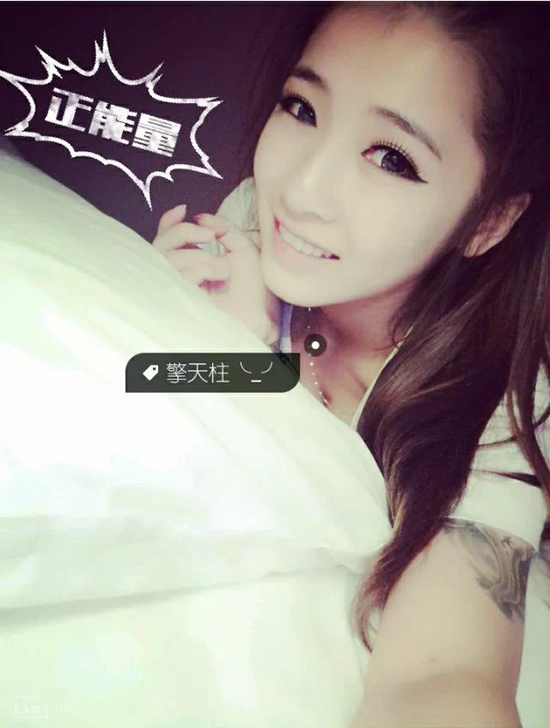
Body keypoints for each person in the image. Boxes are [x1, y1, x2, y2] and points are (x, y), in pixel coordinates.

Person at [153, 3, 550, 725]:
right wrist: (191, 319)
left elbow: (446, 675)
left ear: (489, 220)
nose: (301, 189)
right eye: (302, 108)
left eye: (391, 158)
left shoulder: (498, 405)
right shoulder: (255, 225)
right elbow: (145, 381)